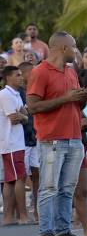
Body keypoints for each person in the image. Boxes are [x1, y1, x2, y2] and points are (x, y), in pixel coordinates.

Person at [26, 32, 87, 236]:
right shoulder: (40, 72)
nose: (76, 51)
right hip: (51, 139)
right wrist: (67, 98)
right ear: (63, 48)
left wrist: (82, 99)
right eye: (74, 47)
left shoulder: (71, 72)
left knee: (66, 189)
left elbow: (73, 105)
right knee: (48, 189)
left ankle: (63, 234)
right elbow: (33, 107)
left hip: (74, 137)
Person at [0, 66, 31, 225]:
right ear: (8, 78)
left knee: (11, 180)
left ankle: (9, 217)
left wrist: (22, 116)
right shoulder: (5, 94)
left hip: (16, 142)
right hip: (11, 143)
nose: (21, 77)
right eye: (17, 75)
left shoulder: (16, 94)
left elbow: (24, 114)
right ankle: (22, 216)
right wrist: (22, 116)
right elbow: (14, 117)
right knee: (19, 178)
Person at [18, 61, 39, 221]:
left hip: (36, 137)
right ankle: (22, 213)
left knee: (37, 174)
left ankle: (37, 209)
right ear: (24, 74)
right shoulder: (16, 92)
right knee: (22, 177)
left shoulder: (36, 89)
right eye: (32, 72)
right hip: (21, 140)